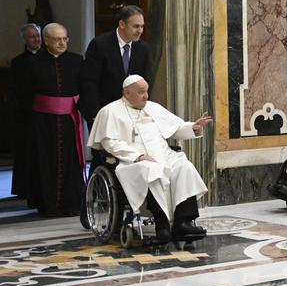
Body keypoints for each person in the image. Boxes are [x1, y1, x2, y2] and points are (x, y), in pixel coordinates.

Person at [87, 75, 211, 247]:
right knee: (151, 171)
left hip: (165, 155)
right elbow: (110, 142)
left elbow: (175, 128)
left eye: (146, 91)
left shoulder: (153, 107)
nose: (145, 96)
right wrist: (137, 156)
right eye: (141, 92)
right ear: (127, 92)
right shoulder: (110, 111)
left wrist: (193, 127)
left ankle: (183, 223)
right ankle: (162, 227)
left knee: (185, 167)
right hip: (132, 161)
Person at [21, 23, 85, 216]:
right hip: (43, 122)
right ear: (46, 41)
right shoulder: (33, 62)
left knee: (70, 160)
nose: (62, 43)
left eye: (65, 39)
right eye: (57, 39)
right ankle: (48, 205)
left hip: (69, 120)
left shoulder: (76, 60)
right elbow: (25, 93)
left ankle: (71, 204)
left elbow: (82, 88)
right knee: (45, 161)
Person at [80, 5, 151, 126]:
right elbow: (89, 82)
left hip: (132, 114)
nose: (140, 30)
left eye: (142, 26)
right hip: (103, 112)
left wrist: (142, 109)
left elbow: (146, 80)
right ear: (122, 24)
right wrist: (95, 114)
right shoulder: (99, 45)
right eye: (135, 26)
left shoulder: (142, 48)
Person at [10, 23, 42, 200]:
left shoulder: (48, 58)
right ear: (24, 39)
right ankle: (24, 188)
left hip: (44, 112)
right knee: (26, 151)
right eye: (32, 36)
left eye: (37, 35)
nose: (36, 39)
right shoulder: (18, 62)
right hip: (26, 113)